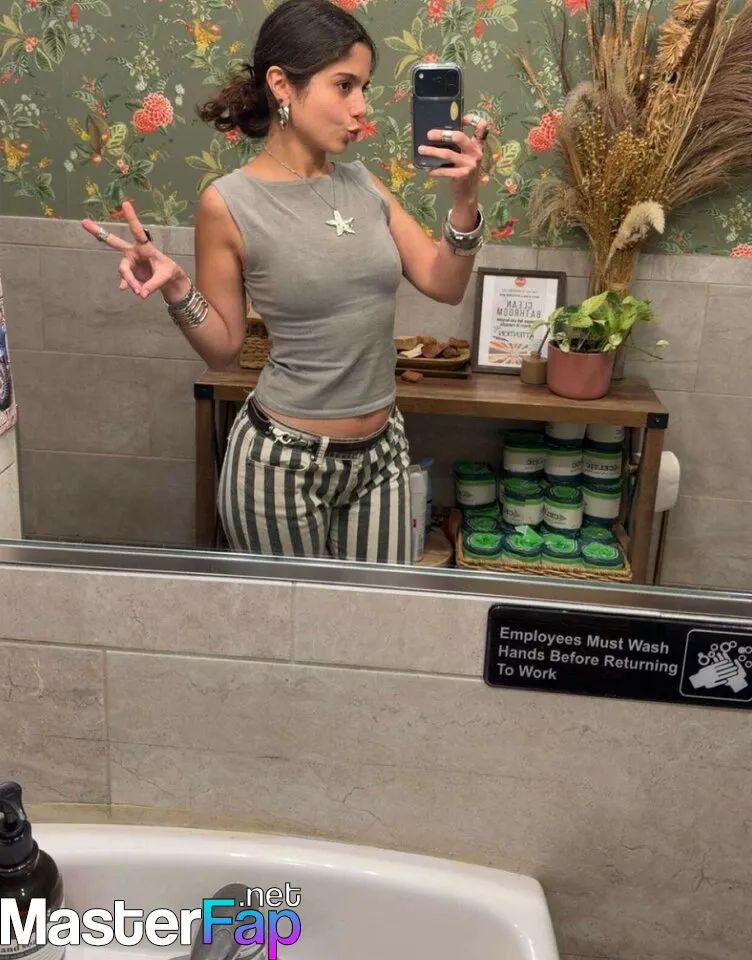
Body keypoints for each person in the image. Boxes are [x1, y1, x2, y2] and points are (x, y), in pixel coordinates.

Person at [81, 0, 488, 564]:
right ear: (281, 85)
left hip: (382, 458)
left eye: (364, 88)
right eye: (344, 85)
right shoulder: (229, 202)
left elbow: (444, 283)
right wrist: (177, 289)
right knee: (292, 620)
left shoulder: (364, 184)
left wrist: (464, 200)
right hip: (280, 467)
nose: (361, 108)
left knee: (381, 612)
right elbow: (224, 351)